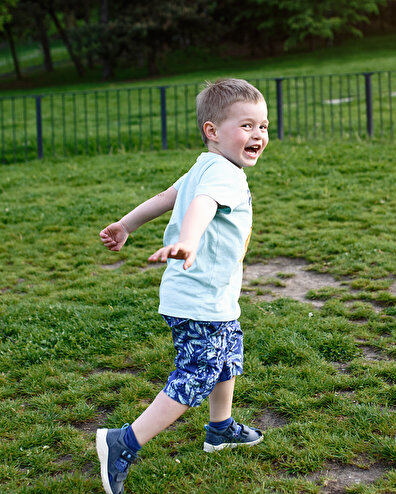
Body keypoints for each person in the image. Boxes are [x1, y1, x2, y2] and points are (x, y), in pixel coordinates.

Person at [95, 78, 269, 494]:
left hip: (209, 297)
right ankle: (123, 442)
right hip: (200, 300)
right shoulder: (224, 175)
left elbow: (169, 196)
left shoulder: (204, 166)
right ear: (212, 131)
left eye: (263, 126)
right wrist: (188, 242)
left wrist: (127, 224)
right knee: (196, 374)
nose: (258, 135)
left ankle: (220, 428)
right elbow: (199, 205)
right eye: (246, 126)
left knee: (226, 358)